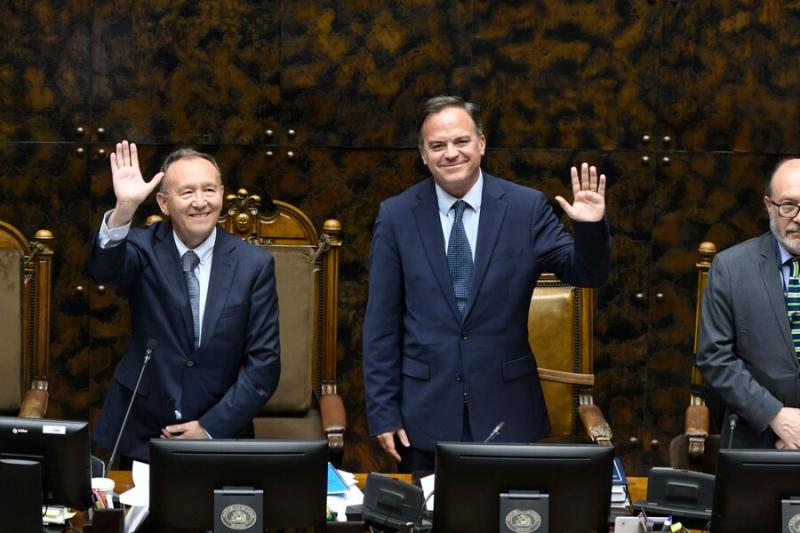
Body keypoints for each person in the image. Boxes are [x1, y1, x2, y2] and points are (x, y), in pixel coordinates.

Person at [362, 96, 611, 472]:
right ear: (423, 154)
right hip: (423, 416)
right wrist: (383, 412)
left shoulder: (526, 208)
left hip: (508, 411)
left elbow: (586, 274)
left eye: (461, 141)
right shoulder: (396, 215)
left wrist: (590, 227)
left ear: (481, 143)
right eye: (437, 146)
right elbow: (380, 326)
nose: (451, 153)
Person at [90, 140, 280, 463]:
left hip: (222, 436)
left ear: (222, 194)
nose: (200, 202)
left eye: (209, 190)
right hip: (144, 437)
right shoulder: (142, 248)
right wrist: (124, 210)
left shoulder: (253, 265)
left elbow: (264, 365)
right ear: (164, 203)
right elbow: (104, 270)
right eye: (187, 192)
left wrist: (208, 428)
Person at [697, 158, 800, 449]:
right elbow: (714, 356)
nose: (798, 218)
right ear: (769, 205)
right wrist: (777, 417)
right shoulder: (731, 267)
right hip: (754, 438)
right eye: (788, 205)